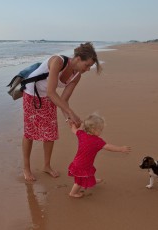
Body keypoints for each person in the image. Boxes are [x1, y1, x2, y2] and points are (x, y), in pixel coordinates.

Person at [22, 42, 102, 181]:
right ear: (77, 59)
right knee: (30, 132)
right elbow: (51, 92)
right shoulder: (57, 61)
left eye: (90, 66)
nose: (88, 69)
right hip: (32, 93)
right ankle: (26, 168)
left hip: (48, 97)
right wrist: (70, 113)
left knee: (50, 132)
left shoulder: (77, 76)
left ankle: (46, 166)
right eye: (87, 65)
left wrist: (68, 118)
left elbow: (63, 100)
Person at [68, 112, 131, 198]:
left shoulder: (81, 134)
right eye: (100, 129)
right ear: (93, 129)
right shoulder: (97, 141)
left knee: (89, 171)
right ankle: (73, 193)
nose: (101, 131)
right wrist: (120, 149)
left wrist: (72, 124)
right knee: (79, 182)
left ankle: (92, 180)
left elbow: (73, 130)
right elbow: (108, 147)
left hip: (79, 161)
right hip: (82, 165)